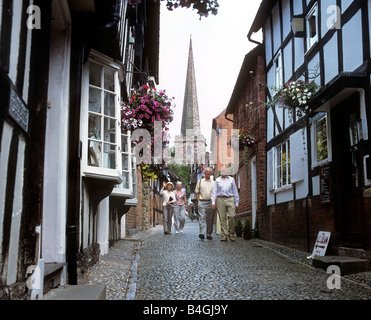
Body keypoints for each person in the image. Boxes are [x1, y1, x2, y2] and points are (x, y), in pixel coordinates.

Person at [211, 165, 239, 242]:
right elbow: (214, 192)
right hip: (220, 199)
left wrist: (237, 203)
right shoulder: (217, 180)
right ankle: (224, 235)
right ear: (221, 172)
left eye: (225, 170)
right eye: (222, 171)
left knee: (231, 216)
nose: (224, 172)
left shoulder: (232, 180)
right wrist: (213, 202)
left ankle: (231, 233)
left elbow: (235, 191)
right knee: (222, 217)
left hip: (230, 198)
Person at [195, 167, 215, 240]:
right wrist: (198, 201)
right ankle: (202, 233)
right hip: (202, 202)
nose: (208, 173)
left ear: (211, 173)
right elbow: (196, 192)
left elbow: (215, 193)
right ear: (204, 173)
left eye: (209, 172)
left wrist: (214, 202)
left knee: (210, 219)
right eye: (207, 171)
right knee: (202, 218)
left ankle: (209, 234)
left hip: (210, 202)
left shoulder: (214, 182)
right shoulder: (200, 181)